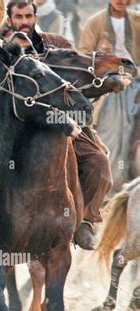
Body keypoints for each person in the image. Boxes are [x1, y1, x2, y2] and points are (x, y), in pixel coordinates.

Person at [1, 0, 114, 250]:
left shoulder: (58, 44)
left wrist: (106, 81)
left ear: (35, 17)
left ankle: (84, 219)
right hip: (19, 123)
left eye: (28, 16)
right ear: (9, 20)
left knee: (100, 163)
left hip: (63, 121)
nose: (24, 22)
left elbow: (81, 74)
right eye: (18, 17)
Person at [78, 0, 139, 192]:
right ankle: (108, 190)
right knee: (110, 135)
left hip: (135, 84)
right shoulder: (95, 23)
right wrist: (102, 57)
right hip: (109, 88)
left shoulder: (137, 21)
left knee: (131, 136)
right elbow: (83, 55)